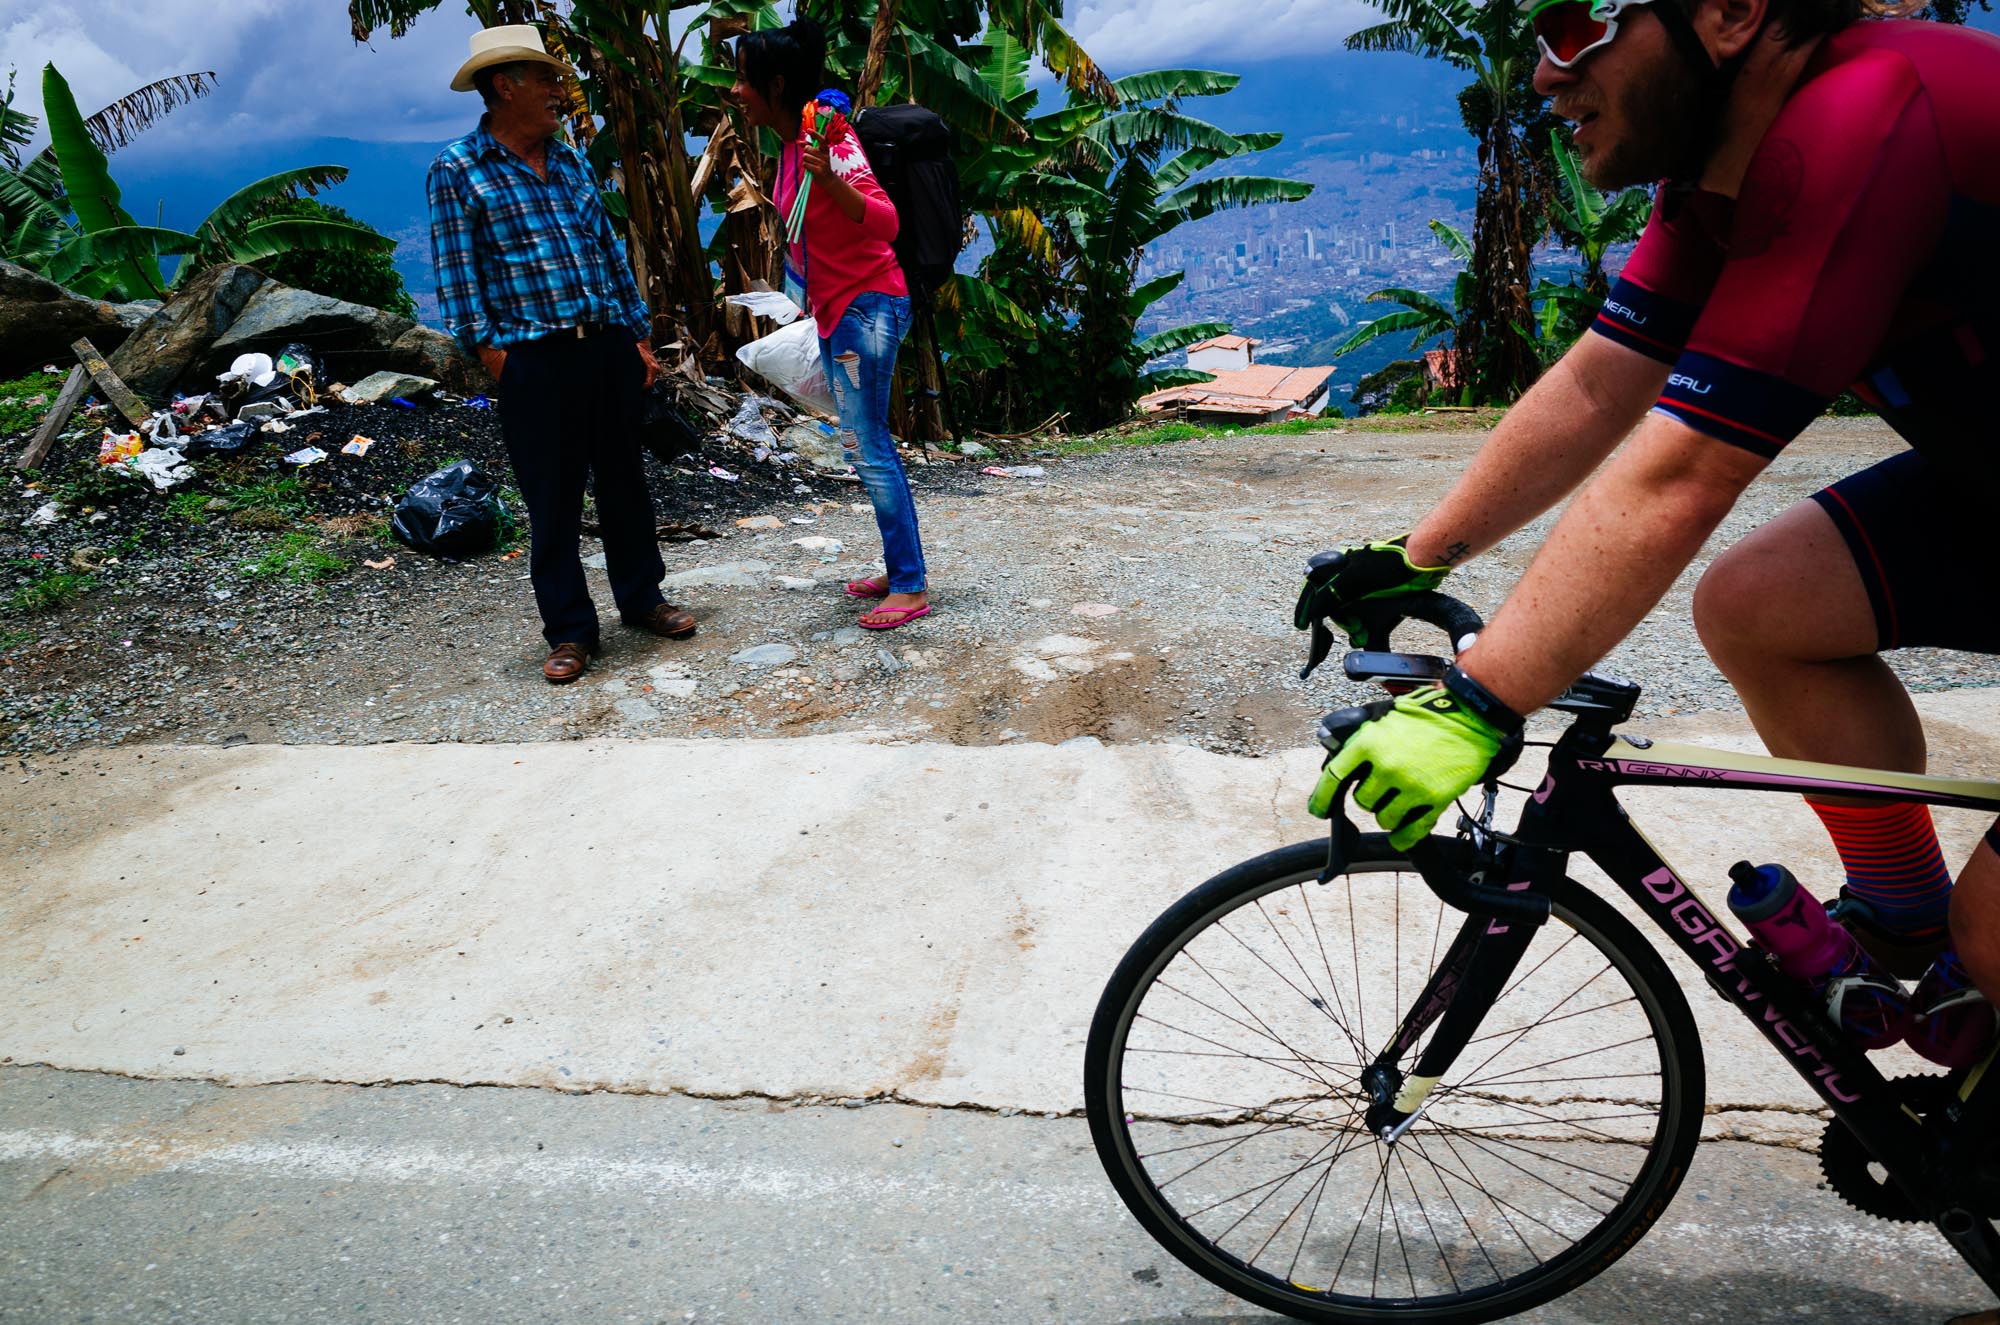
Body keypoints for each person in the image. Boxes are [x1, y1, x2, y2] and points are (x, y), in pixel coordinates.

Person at [1299, 0, 2000, 1045]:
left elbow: (1682, 472)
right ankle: (1903, 918)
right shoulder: (1720, 180)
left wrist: (1480, 700)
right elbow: (1597, 386)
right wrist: (1413, 557)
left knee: (1994, 942)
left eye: (1572, 25)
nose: (1542, 75)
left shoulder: (1864, 116)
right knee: (1761, 604)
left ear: (1725, 14)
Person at [428, 23, 697, 685]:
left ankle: (642, 599)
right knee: (551, 500)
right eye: (544, 78)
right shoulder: (459, 170)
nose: (558, 89)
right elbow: (458, 279)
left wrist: (636, 337)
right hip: (532, 359)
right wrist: (496, 358)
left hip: (604, 346)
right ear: (503, 86)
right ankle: (571, 631)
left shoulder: (570, 159)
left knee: (624, 485)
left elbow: (607, 252)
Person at [729, 18, 934, 631]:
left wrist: (827, 179)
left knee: (869, 443)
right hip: (838, 307)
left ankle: (910, 584)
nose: (736, 92)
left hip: (868, 306)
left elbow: (885, 221)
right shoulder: (795, 138)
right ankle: (901, 567)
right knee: (861, 442)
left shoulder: (830, 141)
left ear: (777, 84)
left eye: (745, 80)